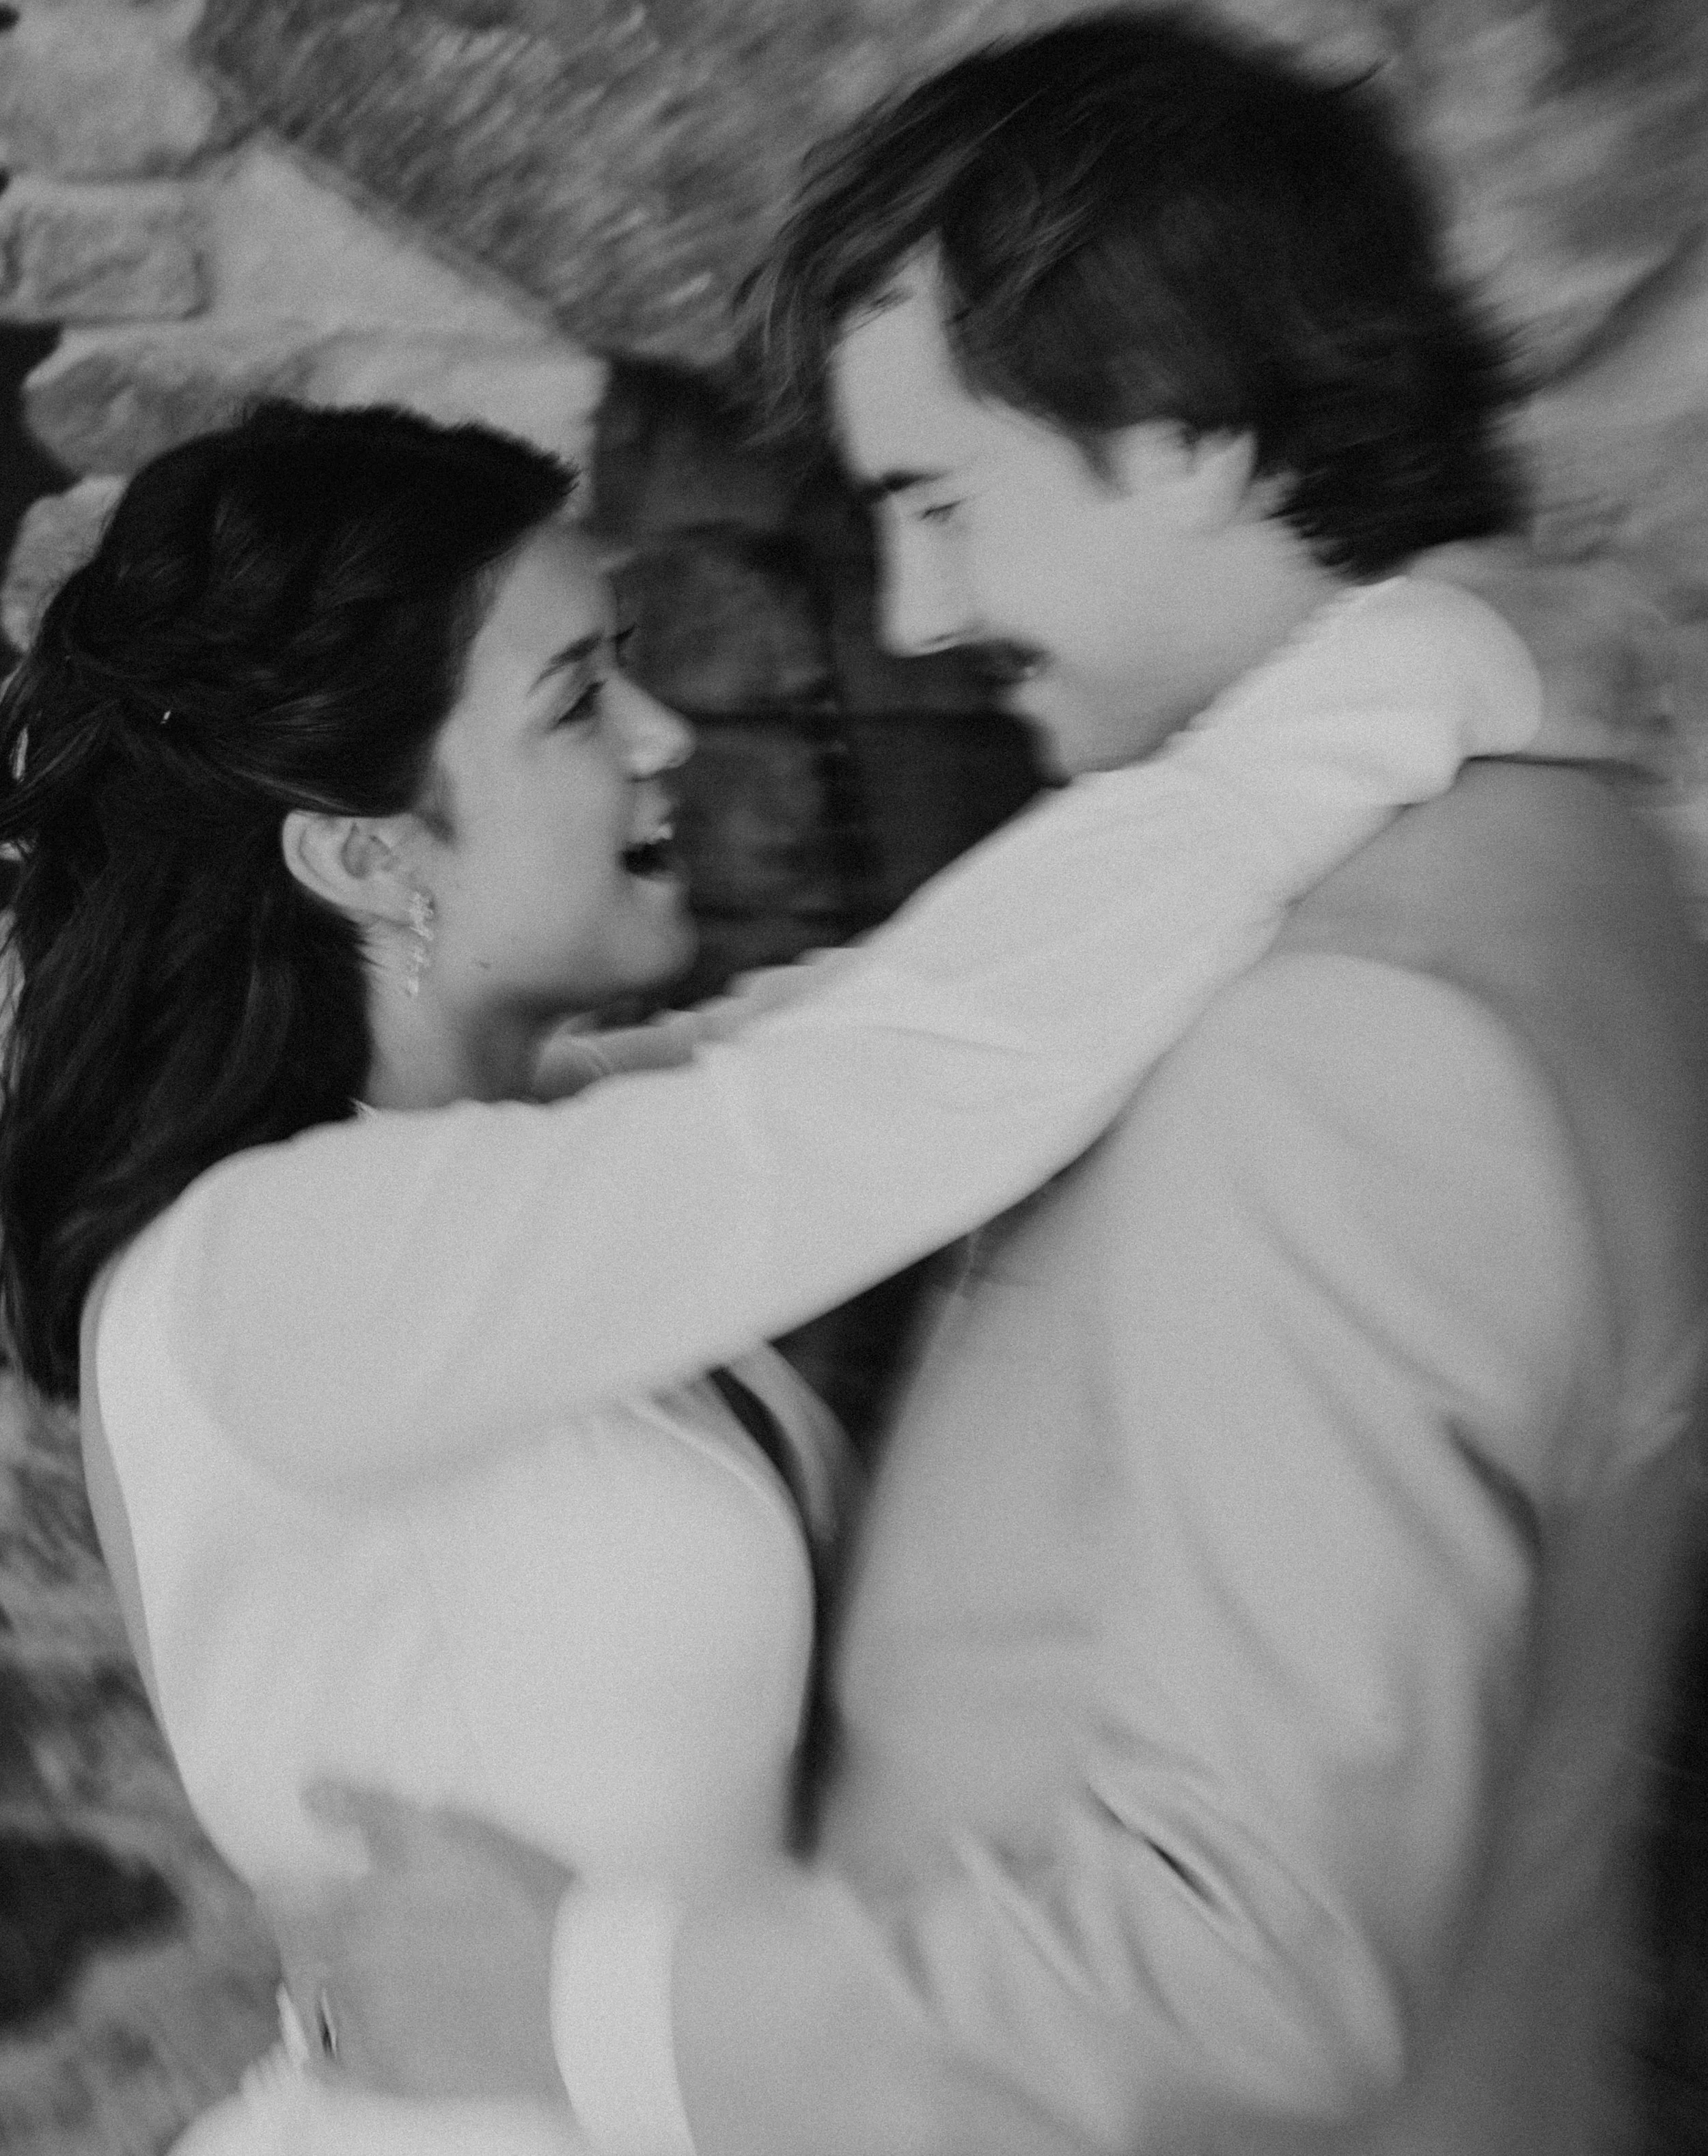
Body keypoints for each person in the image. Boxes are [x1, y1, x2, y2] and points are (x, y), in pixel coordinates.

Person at [294, 12, 1708, 2156]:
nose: (925, 606)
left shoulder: (1355, 1028)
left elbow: (1255, 1961)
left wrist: (565, 1996)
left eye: (941, 499)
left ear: (1191, 439)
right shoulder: (1538, 850)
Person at [0, 393, 1594, 2156]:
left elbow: (898, 1006)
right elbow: (914, 1072)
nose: (666, 730)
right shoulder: (276, 1268)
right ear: (369, 853)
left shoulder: (523, 1178)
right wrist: (1415, 671)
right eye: (576, 699)